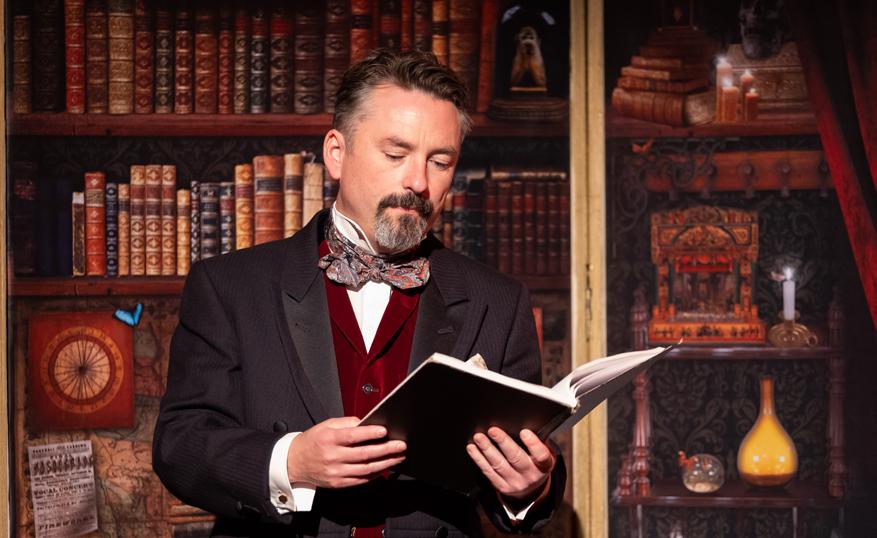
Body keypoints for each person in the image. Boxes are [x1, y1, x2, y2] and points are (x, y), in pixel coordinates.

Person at [152, 48, 566, 537]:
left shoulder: (499, 302)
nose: (418, 182)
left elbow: (521, 472)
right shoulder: (229, 287)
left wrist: (529, 488)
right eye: (395, 154)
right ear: (336, 153)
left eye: (440, 161)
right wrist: (291, 462)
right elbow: (179, 446)